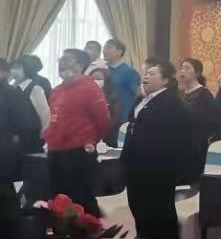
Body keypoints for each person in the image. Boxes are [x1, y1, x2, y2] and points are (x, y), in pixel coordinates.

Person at [123, 61, 193, 239]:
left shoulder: (171, 103)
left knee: (158, 205)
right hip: (136, 162)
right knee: (138, 203)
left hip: (158, 165)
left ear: (165, 80)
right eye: (146, 73)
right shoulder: (141, 99)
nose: (146, 76)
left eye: (152, 73)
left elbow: (176, 136)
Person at [45, 49, 112, 216]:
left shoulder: (90, 88)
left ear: (80, 65)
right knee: (57, 198)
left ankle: (91, 231)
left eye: (67, 60)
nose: (61, 63)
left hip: (79, 151)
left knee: (81, 198)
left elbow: (103, 120)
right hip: (55, 150)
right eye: (61, 59)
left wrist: (92, 140)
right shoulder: (57, 90)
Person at [0, 59, 41, 212]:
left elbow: (30, 125)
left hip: (6, 155)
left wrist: (12, 142)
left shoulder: (12, 94)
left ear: (5, 73)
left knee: (6, 196)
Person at [176, 58, 214, 181]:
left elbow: (210, 121)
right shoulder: (179, 93)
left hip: (196, 146)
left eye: (187, 68)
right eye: (181, 68)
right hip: (179, 144)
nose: (182, 71)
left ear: (197, 72)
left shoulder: (204, 94)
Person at [103, 39, 141, 147]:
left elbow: (139, 94)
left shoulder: (129, 71)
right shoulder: (102, 70)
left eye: (109, 47)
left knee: (117, 149)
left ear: (119, 52)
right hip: (105, 117)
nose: (104, 50)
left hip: (122, 118)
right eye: (104, 47)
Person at [10, 56, 50, 133]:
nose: (13, 70)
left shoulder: (35, 89)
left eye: (17, 67)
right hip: (12, 133)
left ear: (27, 69)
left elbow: (45, 115)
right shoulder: (12, 87)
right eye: (12, 67)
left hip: (30, 133)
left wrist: (44, 133)